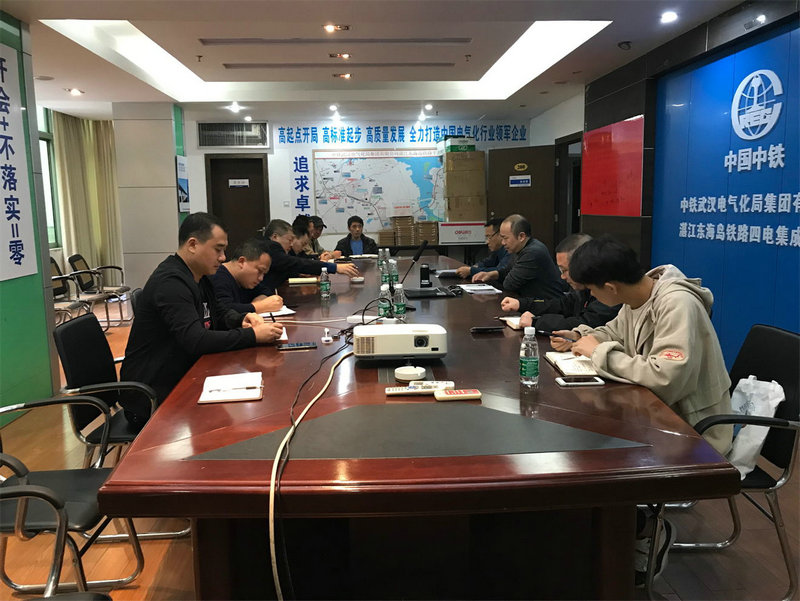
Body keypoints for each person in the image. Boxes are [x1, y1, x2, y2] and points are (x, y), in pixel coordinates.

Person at [554, 235, 733, 586]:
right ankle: (611, 529)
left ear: (610, 287)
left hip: (692, 428)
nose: (592, 298)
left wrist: (597, 352)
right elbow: (613, 332)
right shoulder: (637, 296)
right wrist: (581, 337)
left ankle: (644, 527)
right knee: (585, 443)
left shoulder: (677, 304)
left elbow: (667, 378)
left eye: (592, 291)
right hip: (657, 414)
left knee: (596, 457)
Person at [121, 213, 284, 427]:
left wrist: (242, 319)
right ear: (192, 245)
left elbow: (219, 313)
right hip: (153, 395)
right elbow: (196, 340)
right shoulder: (171, 282)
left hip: (185, 377)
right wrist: (252, 335)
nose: (223, 257)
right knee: (239, 422)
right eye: (218, 249)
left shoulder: (200, 277)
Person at [500, 233, 620, 330]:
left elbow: (587, 324)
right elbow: (561, 305)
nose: (562, 276)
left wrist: (537, 322)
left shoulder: (607, 290)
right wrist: (522, 304)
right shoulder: (583, 289)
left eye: (565, 270)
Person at [472, 214, 566, 300]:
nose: (503, 243)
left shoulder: (532, 252)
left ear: (521, 236)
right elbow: (507, 270)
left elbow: (509, 284)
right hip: (531, 302)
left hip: (546, 305)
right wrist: (492, 274)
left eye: (505, 238)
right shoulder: (519, 248)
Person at [261, 219, 359, 291]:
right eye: (289, 240)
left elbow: (292, 265)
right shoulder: (271, 248)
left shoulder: (268, 247)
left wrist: (298, 273)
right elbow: (296, 263)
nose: (291, 244)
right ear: (275, 237)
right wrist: (334, 267)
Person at [210, 238, 284, 314]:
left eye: (264, 274)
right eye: (260, 271)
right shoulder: (217, 277)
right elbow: (223, 310)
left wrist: (260, 300)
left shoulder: (245, 281)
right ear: (242, 262)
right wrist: (260, 306)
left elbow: (265, 291)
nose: (261, 278)